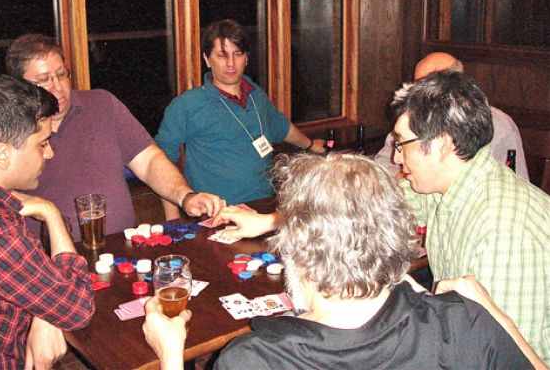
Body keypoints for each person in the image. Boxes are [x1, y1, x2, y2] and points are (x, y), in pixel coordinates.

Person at [142, 153, 544, 369]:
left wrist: (172, 355)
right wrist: (492, 312)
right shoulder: (464, 323)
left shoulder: (251, 360)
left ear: (295, 251)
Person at [390, 71, 550, 362]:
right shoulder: (447, 186)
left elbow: (510, 360)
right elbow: (383, 202)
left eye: (401, 144)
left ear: (441, 145)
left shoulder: (504, 234)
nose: (396, 158)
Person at [5, 34, 223, 241]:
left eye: (62, 74)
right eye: (44, 80)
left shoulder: (102, 104)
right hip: (51, 259)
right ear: (19, 87)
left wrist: (186, 197)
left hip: (120, 248)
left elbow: (149, 162)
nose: (58, 86)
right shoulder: (7, 129)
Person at [0, 76, 95, 369]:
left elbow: (34, 284)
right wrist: (52, 215)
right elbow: (76, 308)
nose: (50, 153)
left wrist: (43, 312)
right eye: (42, 143)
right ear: (2, 154)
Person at [155, 19, 326, 219]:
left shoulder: (256, 95)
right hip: (217, 213)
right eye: (222, 55)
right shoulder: (186, 104)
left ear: (246, 58)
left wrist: (310, 145)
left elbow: (282, 127)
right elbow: (162, 162)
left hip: (265, 206)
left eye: (238, 54)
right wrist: (173, 220)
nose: (230, 63)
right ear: (207, 59)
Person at [374, 52, 529, 180]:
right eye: (417, 86)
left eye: (428, 88)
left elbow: (516, 179)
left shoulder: (500, 124)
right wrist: (410, 174)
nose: (419, 96)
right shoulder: (408, 119)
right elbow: (381, 166)